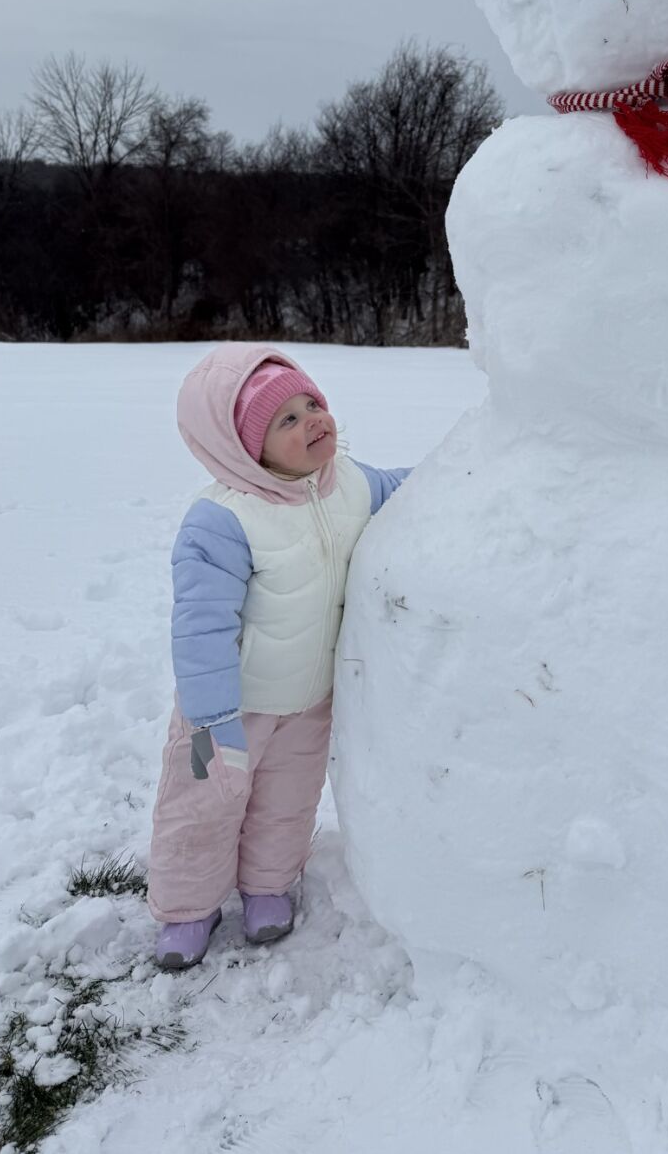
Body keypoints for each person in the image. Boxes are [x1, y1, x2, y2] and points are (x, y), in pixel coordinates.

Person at [147, 343, 409, 970]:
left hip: (308, 702)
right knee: (202, 807)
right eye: (285, 421)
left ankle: (266, 887)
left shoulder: (349, 484)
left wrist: (474, 465)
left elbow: (409, 489)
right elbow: (201, 629)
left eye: (312, 403)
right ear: (244, 449)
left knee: (288, 802)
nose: (312, 421)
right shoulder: (222, 520)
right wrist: (213, 718)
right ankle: (187, 909)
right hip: (226, 715)